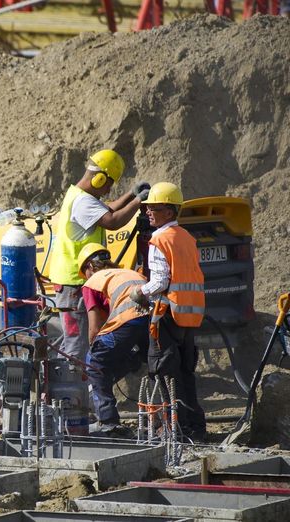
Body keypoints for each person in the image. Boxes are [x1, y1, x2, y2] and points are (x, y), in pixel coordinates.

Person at [48, 149, 150, 363]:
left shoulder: (78, 195)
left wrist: (131, 194)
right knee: (77, 343)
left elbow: (107, 208)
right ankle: (74, 392)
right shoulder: (83, 201)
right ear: (99, 178)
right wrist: (139, 201)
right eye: (108, 183)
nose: (108, 189)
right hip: (73, 281)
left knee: (83, 340)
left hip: (78, 279)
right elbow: (112, 221)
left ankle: (83, 389)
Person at [129, 182, 206, 441]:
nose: (148, 212)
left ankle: (173, 429)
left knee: (164, 371)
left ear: (170, 212)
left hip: (166, 314)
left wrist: (140, 292)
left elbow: (161, 281)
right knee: (185, 372)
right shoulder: (186, 238)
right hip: (188, 315)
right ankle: (195, 426)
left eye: (154, 208)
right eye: (148, 207)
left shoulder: (159, 240)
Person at [77, 243, 150, 433]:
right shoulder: (128, 273)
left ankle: (108, 423)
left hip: (130, 320)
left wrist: (93, 353)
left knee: (95, 362)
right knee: (145, 358)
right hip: (152, 320)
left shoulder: (93, 281)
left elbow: (95, 325)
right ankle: (166, 416)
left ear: (90, 267)